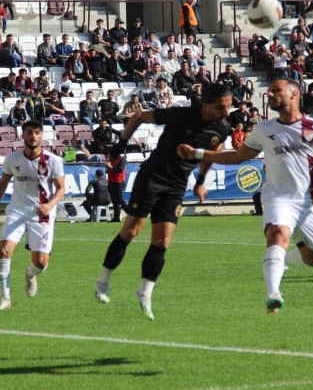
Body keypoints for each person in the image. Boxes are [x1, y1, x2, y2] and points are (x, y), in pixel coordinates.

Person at [178, 78, 313, 313]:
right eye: (269, 91)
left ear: (294, 94)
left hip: (310, 202)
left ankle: (282, 261)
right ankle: (273, 293)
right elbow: (237, 157)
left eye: (276, 91)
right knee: (277, 235)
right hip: (277, 197)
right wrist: (199, 153)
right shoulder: (264, 129)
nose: (270, 95)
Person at [94, 84, 232, 320]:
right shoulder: (180, 114)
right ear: (206, 104)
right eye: (221, 107)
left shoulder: (223, 127)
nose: (226, 112)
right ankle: (103, 279)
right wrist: (120, 146)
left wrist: (200, 181)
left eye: (229, 106)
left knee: (163, 239)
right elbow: (138, 116)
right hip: (152, 177)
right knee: (132, 230)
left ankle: (145, 292)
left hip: (176, 186)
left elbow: (213, 152)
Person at [0, 121, 65, 310]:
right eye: (30, 132)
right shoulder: (12, 159)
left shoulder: (53, 161)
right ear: (22, 135)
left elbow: (61, 189)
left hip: (41, 214)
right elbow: (2, 183)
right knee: (4, 250)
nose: (34, 136)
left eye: (37, 133)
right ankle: (5, 298)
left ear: (42, 136)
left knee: (40, 263)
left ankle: (30, 274)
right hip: (17, 211)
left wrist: (49, 205)